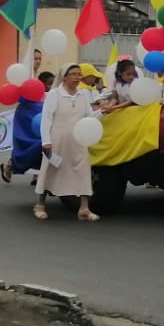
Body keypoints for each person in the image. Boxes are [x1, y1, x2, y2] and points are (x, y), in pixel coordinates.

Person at [34, 64, 102, 222]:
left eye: (79, 74)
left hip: (78, 141)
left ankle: (84, 208)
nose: (77, 77)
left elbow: (89, 116)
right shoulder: (55, 95)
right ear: (64, 76)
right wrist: (46, 141)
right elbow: (46, 119)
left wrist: (103, 111)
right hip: (58, 140)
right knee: (49, 170)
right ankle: (39, 205)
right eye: (73, 74)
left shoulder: (83, 95)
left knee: (83, 171)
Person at [2, 71, 53, 185]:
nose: (51, 87)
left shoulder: (50, 99)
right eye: (49, 83)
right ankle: (11, 164)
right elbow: (23, 126)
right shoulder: (25, 106)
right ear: (41, 85)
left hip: (44, 134)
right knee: (37, 147)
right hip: (30, 138)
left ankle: (38, 175)